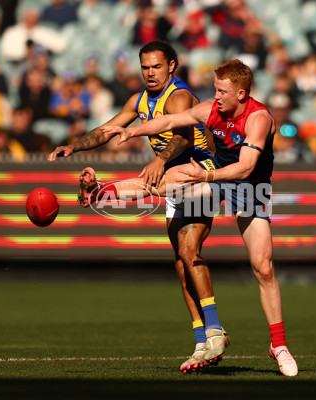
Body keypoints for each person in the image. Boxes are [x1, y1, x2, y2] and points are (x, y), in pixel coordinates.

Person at [102, 59, 299, 377]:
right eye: (215, 89)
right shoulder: (212, 109)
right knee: (171, 180)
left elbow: (247, 168)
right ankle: (101, 191)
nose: (216, 96)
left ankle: (279, 345)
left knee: (263, 267)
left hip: (250, 188)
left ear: (242, 93)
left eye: (222, 91)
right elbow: (169, 122)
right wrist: (131, 131)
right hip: (218, 177)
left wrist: (205, 178)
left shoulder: (259, 118)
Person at [48, 40, 227, 374]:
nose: (150, 73)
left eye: (157, 66)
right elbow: (109, 129)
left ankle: (216, 330)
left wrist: (159, 159)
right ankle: (202, 342)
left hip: (203, 174)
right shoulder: (140, 100)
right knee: (180, 263)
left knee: (189, 251)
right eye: (145, 67)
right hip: (173, 181)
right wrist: (73, 147)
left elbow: (185, 135)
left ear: (171, 66)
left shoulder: (179, 96)